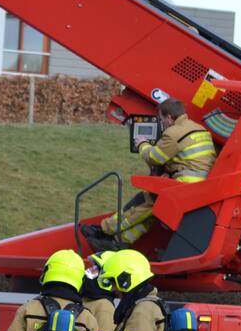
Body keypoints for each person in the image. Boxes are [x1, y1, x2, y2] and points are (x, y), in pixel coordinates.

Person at [82, 98, 217, 249]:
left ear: (169, 117)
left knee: (145, 200)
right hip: (200, 186)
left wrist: (142, 144)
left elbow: (155, 157)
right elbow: (189, 160)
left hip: (186, 186)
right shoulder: (199, 129)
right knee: (153, 211)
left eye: (161, 119)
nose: (162, 123)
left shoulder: (173, 133)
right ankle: (119, 242)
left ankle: (105, 230)